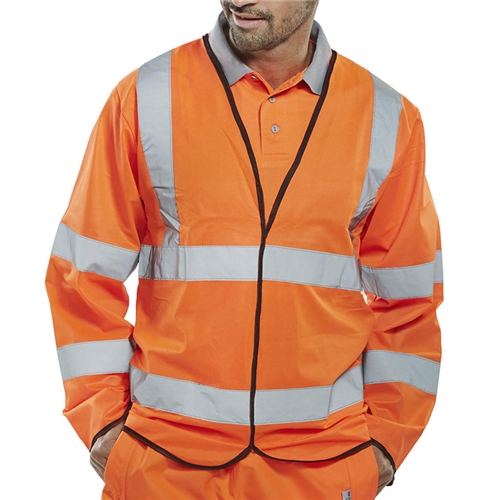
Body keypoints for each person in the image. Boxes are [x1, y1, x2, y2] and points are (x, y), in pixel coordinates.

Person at [46, 1, 443, 498]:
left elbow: (409, 299)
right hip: (162, 464)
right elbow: (81, 274)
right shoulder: (146, 96)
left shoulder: (389, 117)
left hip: (322, 467)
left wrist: (385, 441)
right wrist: (103, 421)